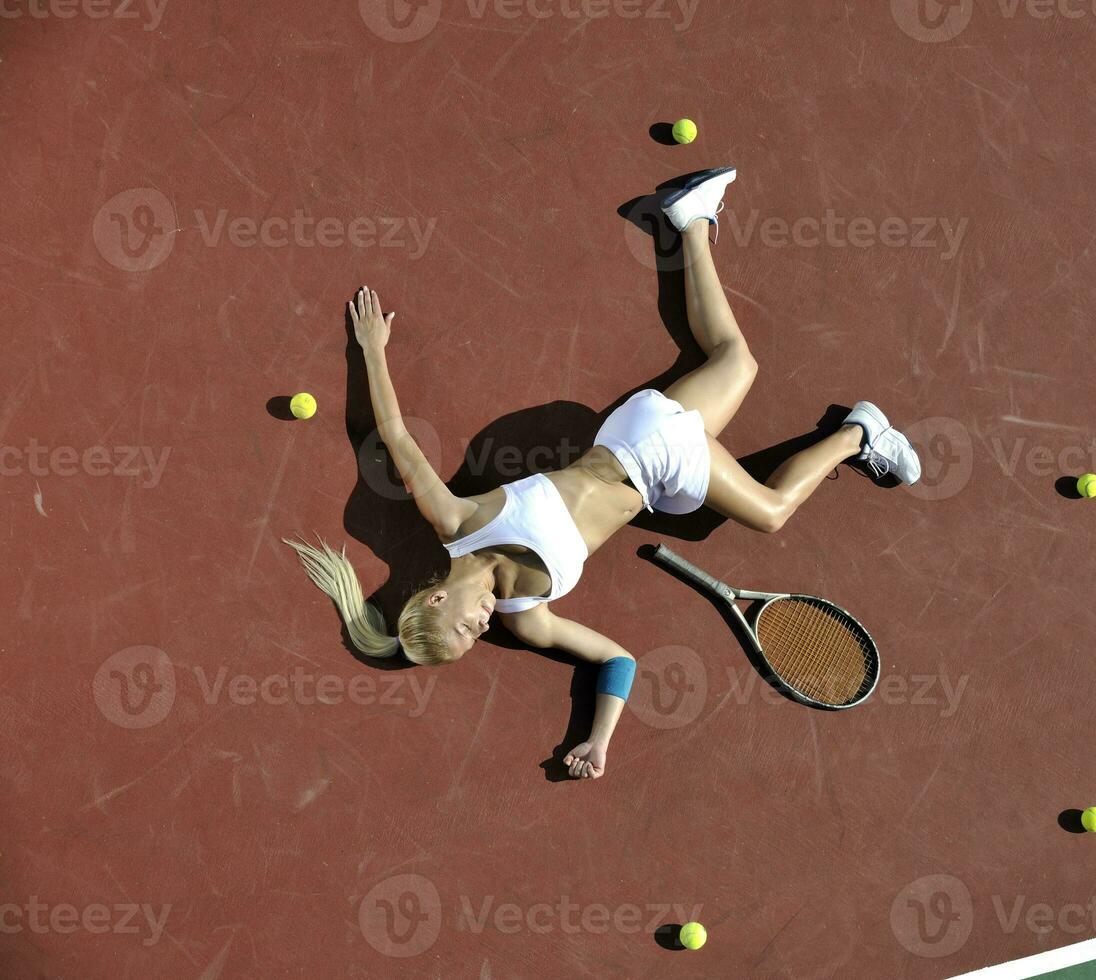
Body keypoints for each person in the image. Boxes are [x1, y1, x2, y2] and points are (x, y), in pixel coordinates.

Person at [286, 168, 921, 778]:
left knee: (774, 511)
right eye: (474, 640)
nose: (481, 627)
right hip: (647, 462)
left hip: (649, 451)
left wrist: (371, 350)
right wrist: (597, 739)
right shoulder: (525, 614)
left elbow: (394, 436)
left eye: (462, 626)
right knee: (736, 361)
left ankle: (860, 432)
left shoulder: (457, 519)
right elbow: (616, 660)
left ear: (433, 596)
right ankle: (690, 219)